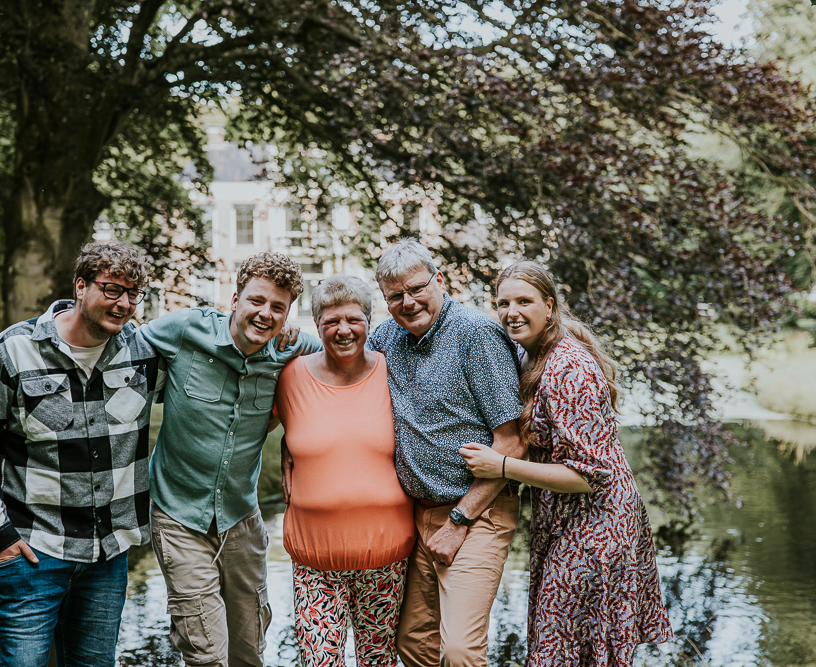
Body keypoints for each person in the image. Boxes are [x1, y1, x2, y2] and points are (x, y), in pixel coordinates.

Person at [0, 242, 165, 667]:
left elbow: (211, 370)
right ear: (81, 286)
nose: (123, 303)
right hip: (34, 551)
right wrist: (0, 537)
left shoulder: (143, 355)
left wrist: (285, 341)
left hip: (108, 556)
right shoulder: (12, 351)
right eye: (111, 289)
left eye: (133, 293)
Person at [459, 260, 673, 667]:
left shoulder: (568, 368)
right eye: (503, 303)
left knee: (562, 650)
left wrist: (500, 466)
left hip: (597, 527)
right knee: (566, 647)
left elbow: (588, 475)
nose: (511, 312)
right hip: (566, 521)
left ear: (550, 306)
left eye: (524, 301)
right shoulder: (530, 351)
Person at [139, 251, 321, 667]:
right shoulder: (185, 329)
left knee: (248, 649)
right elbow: (117, 348)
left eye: (278, 307)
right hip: (178, 515)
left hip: (242, 515)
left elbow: (346, 349)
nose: (265, 313)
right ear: (234, 297)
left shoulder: (292, 347)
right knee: (206, 653)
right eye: (256, 301)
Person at [367, 238, 528, 667]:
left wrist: (459, 521)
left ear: (440, 279)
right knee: (414, 645)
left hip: (476, 511)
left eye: (417, 288)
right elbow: (338, 351)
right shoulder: (385, 338)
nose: (409, 302)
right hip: (416, 515)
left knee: (459, 650)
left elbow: (511, 441)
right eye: (396, 296)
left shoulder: (476, 334)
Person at [275, 275, 415, 667]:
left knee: (379, 659)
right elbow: (257, 426)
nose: (343, 330)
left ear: (369, 322)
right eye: (331, 322)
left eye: (353, 319)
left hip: (385, 556)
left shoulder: (395, 373)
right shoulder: (291, 376)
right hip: (314, 559)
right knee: (320, 661)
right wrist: (290, 448)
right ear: (316, 326)